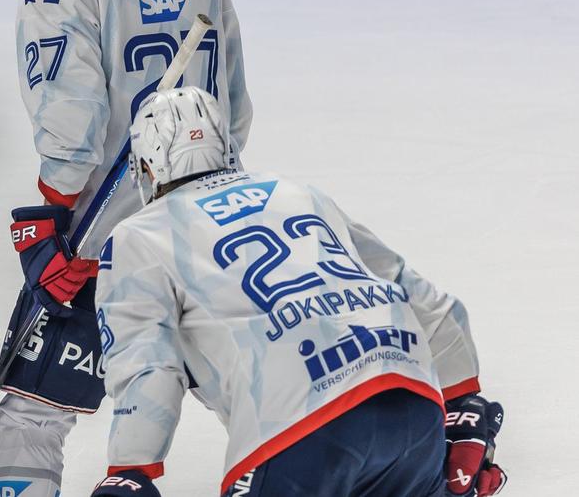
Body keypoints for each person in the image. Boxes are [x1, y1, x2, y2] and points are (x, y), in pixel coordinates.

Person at [0, 0, 252, 497]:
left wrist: (51, 218)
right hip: (212, 230)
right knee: (262, 405)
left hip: (103, 244)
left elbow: (72, 124)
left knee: (31, 418)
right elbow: (234, 110)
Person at [89, 87, 507, 497]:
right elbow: (413, 290)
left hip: (295, 422)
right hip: (409, 397)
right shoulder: (297, 192)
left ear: (147, 166)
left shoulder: (138, 236)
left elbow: (149, 367)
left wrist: (131, 469)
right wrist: (462, 400)